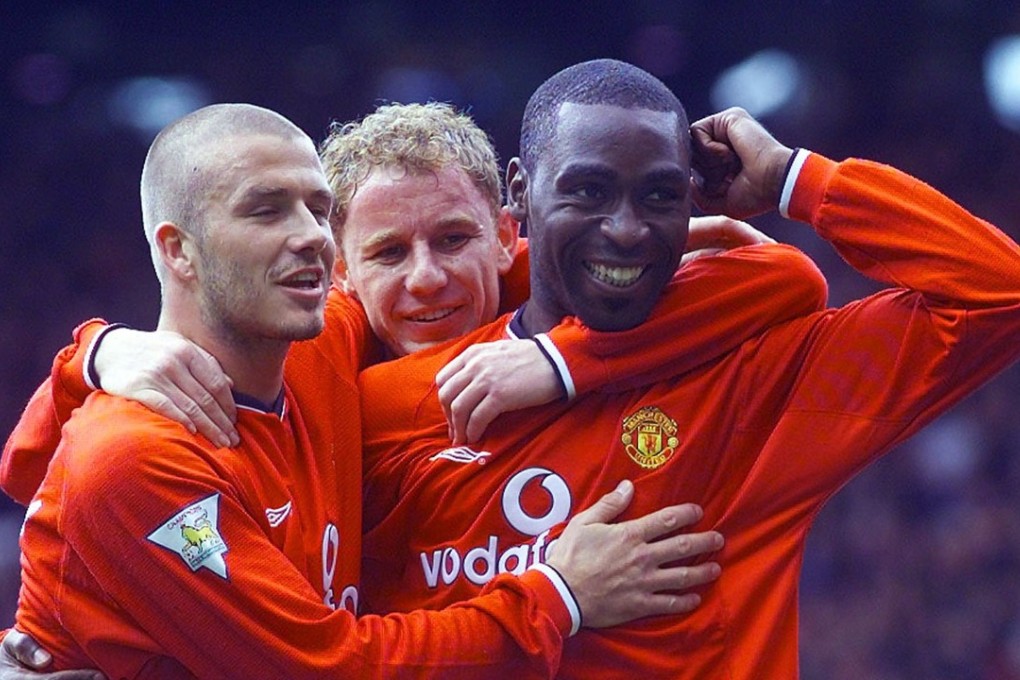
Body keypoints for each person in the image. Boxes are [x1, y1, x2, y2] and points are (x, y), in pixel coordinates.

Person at [1, 101, 828, 675]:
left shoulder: (323, 343)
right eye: (264, 210)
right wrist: (560, 596)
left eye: (315, 210)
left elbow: (781, 278)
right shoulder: (139, 458)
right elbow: (327, 673)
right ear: (177, 250)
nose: (304, 238)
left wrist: (575, 336)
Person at [342, 59, 1020, 678]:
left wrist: (795, 179)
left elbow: (998, 293)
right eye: (588, 191)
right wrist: (556, 597)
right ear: (522, 192)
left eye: (660, 197)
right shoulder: (384, 409)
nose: (628, 229)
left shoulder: (751, 380)